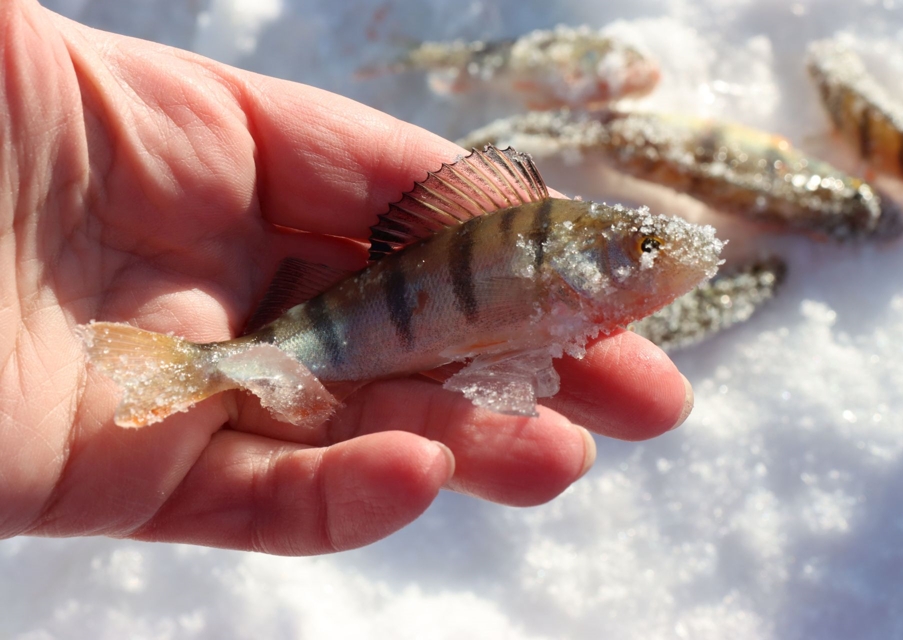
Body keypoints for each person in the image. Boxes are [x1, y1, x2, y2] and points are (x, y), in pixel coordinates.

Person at [0, 0, 693, 555]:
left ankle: (208, 368)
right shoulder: (547, 262)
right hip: (331, 328)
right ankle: (203, 367)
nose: (659, 257)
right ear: (576, 261)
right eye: (644, 245)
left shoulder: (554, 268)